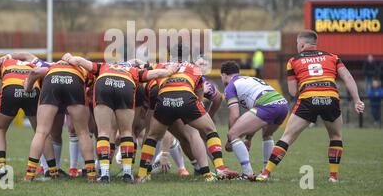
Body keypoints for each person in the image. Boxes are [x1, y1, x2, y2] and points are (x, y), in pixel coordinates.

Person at [256, 30, 365, 183]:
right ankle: (333, 177)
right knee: (335, 136)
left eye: (296, 44)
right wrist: (357, 100)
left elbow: (293, 92)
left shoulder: (293, 60)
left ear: (301, 44)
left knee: (287, 137)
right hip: (331, 97)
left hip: (308, 98)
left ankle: (265, 173)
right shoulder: (333, 57)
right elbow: (347, 77)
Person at [62, 53, 179, 184]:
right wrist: (170, 71)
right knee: (127, 132)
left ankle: (105, 174)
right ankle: (127, 173)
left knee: (103, 133)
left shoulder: (104, 66)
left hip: (104, 83)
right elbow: (155, 74)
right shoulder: (133, 70)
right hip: (126, 85)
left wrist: (69, 58)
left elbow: (79, 61)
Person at [136, 44, 238, 183]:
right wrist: (201, 111)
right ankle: (217, 170)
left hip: (164, 100)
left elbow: (143, 71)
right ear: (188, 56)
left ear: (169, 55)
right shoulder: (195, 68)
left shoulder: (161, 65)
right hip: (186, 99)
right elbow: (204, 94)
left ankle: (142, 174)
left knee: (152, 136)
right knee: (209, 130)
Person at [23, 59, 97, 182]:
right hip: (74, 80)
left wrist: (28, 87)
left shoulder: (50, 65)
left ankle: (29, 175)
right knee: (83, 132)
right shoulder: (84, 67)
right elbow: (93, 84)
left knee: (41, 132)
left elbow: (35, 72)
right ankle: (91, 175)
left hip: (52, 80)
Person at [220, 60, 289, 180]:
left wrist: (230, 138)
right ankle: (265, 172)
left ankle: (247, 173)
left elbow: (234, 115)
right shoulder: (249, 79)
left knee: (233, 134)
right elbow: (254, 117)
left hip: (267, 104)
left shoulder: (230, 87)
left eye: (221, 77)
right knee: (267, 134)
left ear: (224, 75)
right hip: (282, 104)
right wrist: (248, 139)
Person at [0, 55, 42, 180]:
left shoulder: (5, 62)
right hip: (32, 90)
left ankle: (2, 167)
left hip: (10, 89)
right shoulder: (34, 64)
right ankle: (46, 169)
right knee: (41, 132)